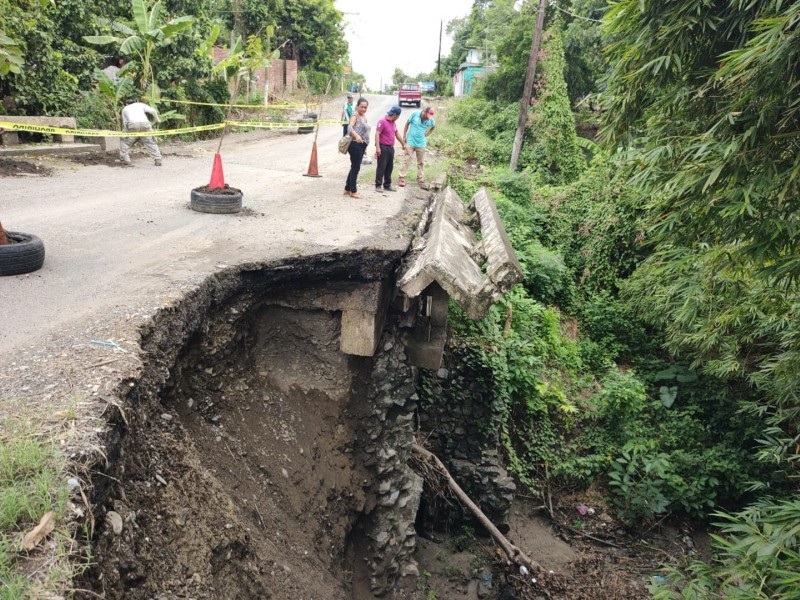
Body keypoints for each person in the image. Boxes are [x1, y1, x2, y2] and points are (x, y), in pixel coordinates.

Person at [399, 106, 436, 188]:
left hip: (421, 143)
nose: (428, 118)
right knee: (407, 160)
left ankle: (420, 178)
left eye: (430, 116)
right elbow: (407, 124)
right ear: (424, 112)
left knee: (421, 162)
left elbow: (433, 126)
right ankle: (402, 177)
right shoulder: (415, 114)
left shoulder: (430, 120)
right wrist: (404, 136)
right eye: (428, 115)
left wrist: (427, 133)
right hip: (410, 141)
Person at [119, 98, 162, 167]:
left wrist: (126, 134)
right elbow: (153, 111)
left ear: (126, 104)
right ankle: (158, 160)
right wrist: (157, 120)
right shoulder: (140, 104)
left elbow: (125, 123)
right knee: (150, 142)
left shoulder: (125, 109)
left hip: (133, 124)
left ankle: (125, 160)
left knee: (125, 142)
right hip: (145, 124)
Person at [374, 106, 406, 192]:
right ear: (395, 115)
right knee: (381, 167)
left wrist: (403, 143)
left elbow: (397, 133)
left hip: (391, 148)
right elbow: (377, 134)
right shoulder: (382, 121)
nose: (398, 118)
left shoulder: (393, 123)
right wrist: (377, 148)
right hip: (383, 147)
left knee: (389, 167)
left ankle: (387, 184)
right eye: (399, 116)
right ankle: (378, 185)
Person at [343, 97, 370, 199]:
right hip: (354, 144)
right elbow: (350, 127)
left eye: (365, 107)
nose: (363, 109)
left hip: (362, 145)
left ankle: (347, 188)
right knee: (356, 167)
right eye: (362, 107)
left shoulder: (364, 117)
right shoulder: (355, 115)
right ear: (357, 106)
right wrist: (356, 136)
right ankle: (353, 191)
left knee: (354, 166)